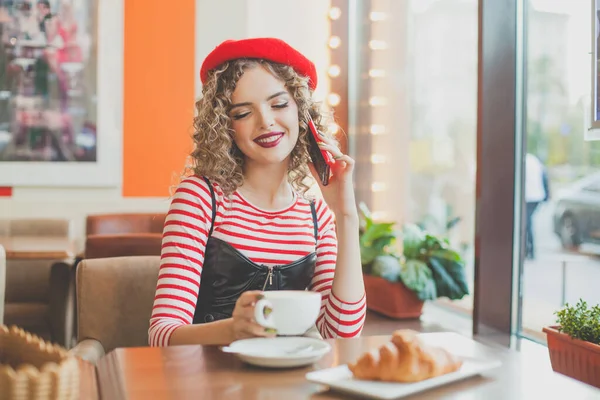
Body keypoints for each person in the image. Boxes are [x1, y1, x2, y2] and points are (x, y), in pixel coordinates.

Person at [149, 38, 366, 347]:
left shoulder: (316, 216)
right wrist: (232, 330)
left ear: (302, 114)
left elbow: (341, 334)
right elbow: (161, 334)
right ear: (225, 126)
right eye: (242, 113)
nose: (266, 122)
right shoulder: (199, 198)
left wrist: (345, 216)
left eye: (279, 104)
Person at [525, 152, 550, 260]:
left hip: (529, 196)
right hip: (536, 196)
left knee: (526, 223)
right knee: (527, 222)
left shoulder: (524, 160)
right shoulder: (533, 160)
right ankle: (529, 250)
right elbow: (544, 176)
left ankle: (529, 250)